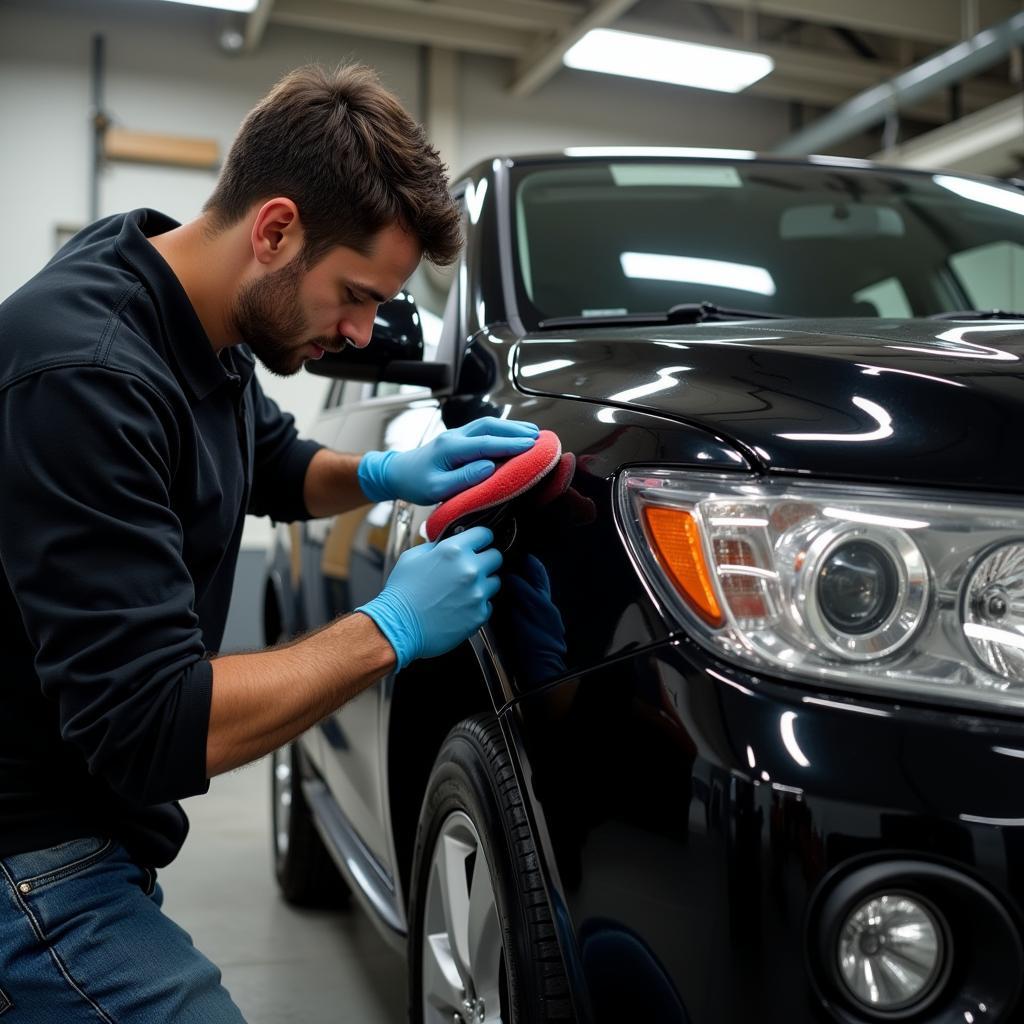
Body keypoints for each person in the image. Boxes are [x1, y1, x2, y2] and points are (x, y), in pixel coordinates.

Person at [0, 63, 537, 1022]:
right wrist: (390, 626)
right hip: (26, 853)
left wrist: (381, 474)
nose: (365, 330)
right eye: (357, 294)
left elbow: (273, 459)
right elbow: (155, 723)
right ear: (277, 229)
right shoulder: (86, 375)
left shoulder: (193, 309)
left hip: (95, 828)